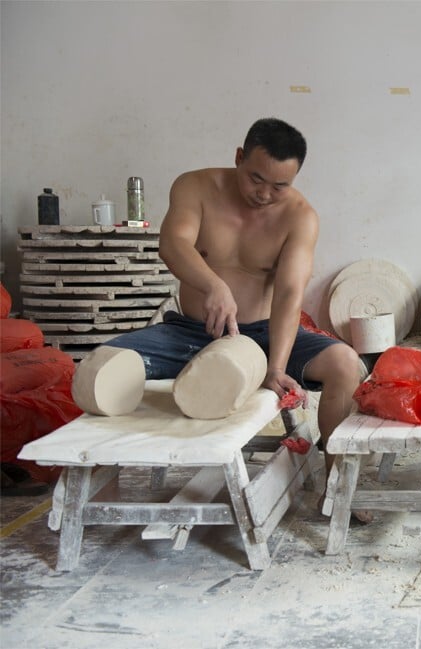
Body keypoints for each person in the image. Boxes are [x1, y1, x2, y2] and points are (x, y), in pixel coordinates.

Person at [104, 117, 365, 474]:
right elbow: (173, 244)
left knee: (347, 364)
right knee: (105, 364)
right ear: (239, 156)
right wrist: (214, 285)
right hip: (190, 332)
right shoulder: (195, 187)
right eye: (256, 178)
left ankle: (337, 484)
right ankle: (107, 479)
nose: (264, 193)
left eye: (279, 186)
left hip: (262, 337)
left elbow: (289, 293)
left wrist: (275, 366)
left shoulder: (300, 216)